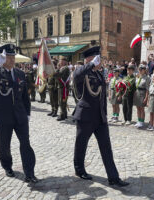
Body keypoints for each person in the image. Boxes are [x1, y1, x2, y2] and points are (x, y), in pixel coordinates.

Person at [0, 44, 38, 183]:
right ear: (1, 58)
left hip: (20, 115)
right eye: (8, 57)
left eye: (13, 56)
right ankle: (7, 166)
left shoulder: (20, 73)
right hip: (3, 116)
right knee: (4, 145)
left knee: (26, 144)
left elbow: (24, 96)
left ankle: (29, 172)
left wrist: (27, 113)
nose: (12, 59)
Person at [72, 46, 129, 187]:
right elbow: (76, 74)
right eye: (97, 59)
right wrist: (90, 64)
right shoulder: (83, 72)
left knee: (106, 147)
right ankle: (79, 170)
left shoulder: (98, 74)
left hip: (99, 117)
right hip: (85, 116)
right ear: (90, 59)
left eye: (99, 59)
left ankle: (113, 177)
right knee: (81, 145)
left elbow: (102, 96)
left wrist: (104, 114)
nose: (100, 62)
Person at [54, 56, 71, 121]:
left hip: (63, 87)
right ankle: (65, 114)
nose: (59, 61)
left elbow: (59, 75)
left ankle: (62, 115)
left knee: (62, 101)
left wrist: (55, 70)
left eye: (60, 60)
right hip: (61, 86)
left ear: (64, 61)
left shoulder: (65, 68)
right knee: (62, 101)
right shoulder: (62, 68)